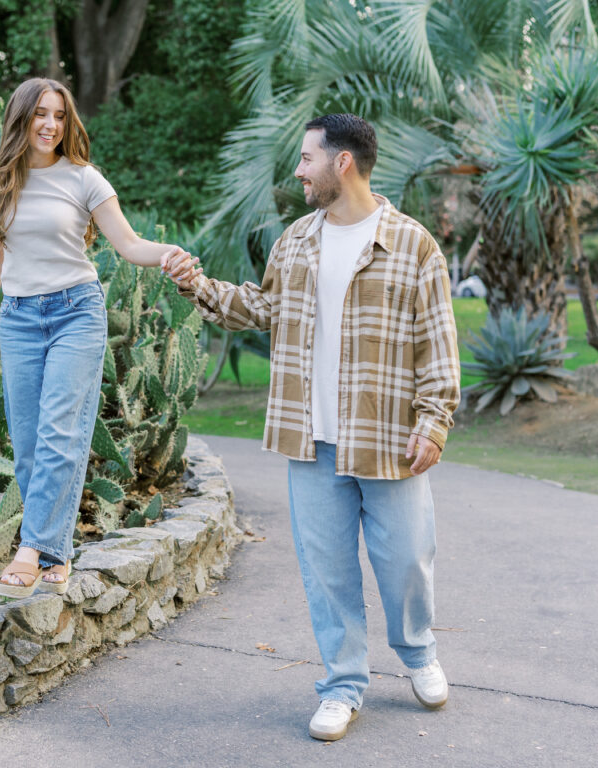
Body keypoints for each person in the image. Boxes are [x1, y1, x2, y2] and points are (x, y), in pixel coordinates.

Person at [162, 114, 460, 741]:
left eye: (305, 159)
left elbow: (439, 344)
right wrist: (199, 286)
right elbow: (265, 306)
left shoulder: (412, 245)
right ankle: (343, 685)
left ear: (342, 163)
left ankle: (418, 652)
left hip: (387, 439)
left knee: (407, 560)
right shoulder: (297, 239)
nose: (297, 171)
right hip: (311, 438)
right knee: (327, 573)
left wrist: (433, 423)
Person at [0, 78, 183, 599]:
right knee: (26, 446)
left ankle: (30, 548)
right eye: (40, 114)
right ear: (21, 119)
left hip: (76, 313)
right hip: (19, 319)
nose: (50, 125)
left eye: (60, 116)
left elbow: (130, 244)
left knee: (60, 434)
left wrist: (170, 253)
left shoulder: (84, 178)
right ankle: (58, 552)